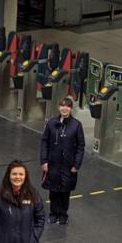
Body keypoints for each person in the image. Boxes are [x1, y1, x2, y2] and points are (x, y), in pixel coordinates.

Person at [40, 96, 85, 225]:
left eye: (67, 106)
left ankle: (63, 214)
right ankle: (53, 213)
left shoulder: (76, 125)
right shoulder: (51, 123)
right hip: (53, 164)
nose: (64, 108)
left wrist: (76, 164)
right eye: (62, 105)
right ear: (58, 107)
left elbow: (80, 146)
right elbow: (44, 142)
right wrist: (44, 161)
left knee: (65, 191)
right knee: (53, 190)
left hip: (68, 165)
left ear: (71, 109)